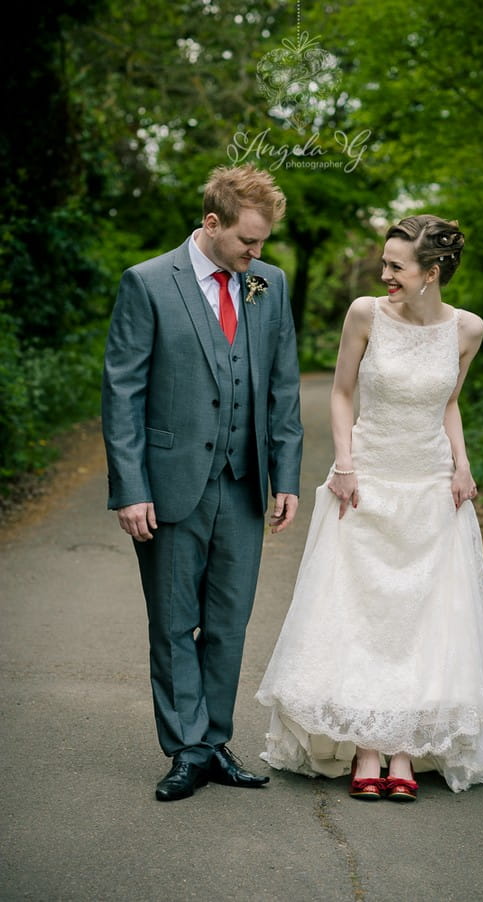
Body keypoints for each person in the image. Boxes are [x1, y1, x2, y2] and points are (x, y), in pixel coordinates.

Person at [256, 214, 483, 801]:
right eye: (385, 264)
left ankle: (403, 748)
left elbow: (448, 404)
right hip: (368, 478)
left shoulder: (467, 330)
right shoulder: (365, 314)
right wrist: (345, 465)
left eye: (396, 267)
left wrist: (462, 464)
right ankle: (367, 748)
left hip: (429, 484)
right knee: (362, 612)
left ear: (432, 273)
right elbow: (342, 391)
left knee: (420, 620)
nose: (384, 275)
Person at [102, 163, 303, 802]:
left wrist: (286, 474)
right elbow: (122, 391)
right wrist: (130, 486)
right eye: (247, 240)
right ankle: (185, 749)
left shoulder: (267, 284)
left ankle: (215, 741)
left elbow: (283, 386)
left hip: (243, 483)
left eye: (264, 241)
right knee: (172, 621)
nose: (257, 252)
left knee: (229, 621)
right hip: (167, 485)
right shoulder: (148, 282)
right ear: (211, 223)